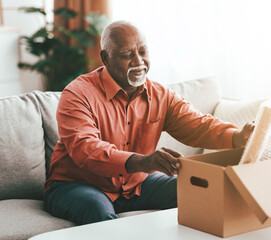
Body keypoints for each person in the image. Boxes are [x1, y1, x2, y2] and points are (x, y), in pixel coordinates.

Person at [44, 21, 255, 225]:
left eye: (143, 52)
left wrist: (237, 137)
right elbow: (86, 149)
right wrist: (144, 162)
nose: (138, 61)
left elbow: (198, 125)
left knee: (200, 191)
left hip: (135, 184)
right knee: (97, 210)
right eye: (127, 55)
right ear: (106, 58)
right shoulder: (78, 94)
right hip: (77, 185)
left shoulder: (161, 95)